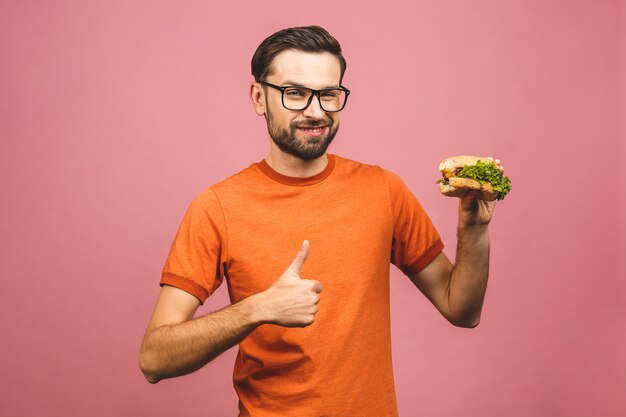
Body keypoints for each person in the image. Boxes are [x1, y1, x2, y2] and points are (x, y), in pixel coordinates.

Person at [139, 25, 504, 417]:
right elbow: (155, 358)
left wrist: (475, 230)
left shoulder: (383, 190)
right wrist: (256, 309)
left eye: (328, 94)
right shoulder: (217, 207)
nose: (316, 111)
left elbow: (462, 310)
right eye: (295, 93)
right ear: (259, 97)